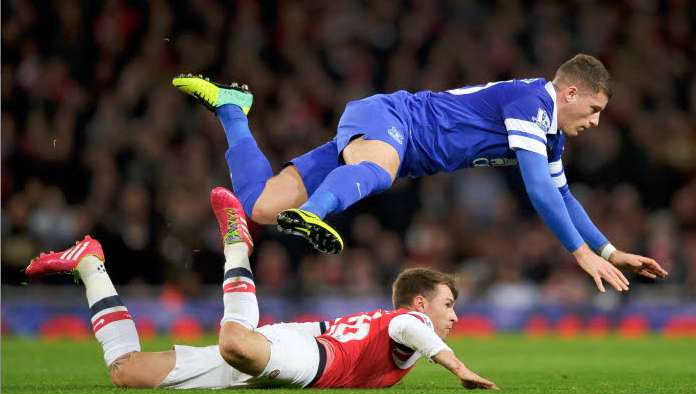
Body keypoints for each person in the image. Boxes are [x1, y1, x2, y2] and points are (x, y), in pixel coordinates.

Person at [172, 54, 668, 293]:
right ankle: (316, 213)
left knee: (259, 206)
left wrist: (609, 250)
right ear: (571, 93)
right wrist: (579, 254)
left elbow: (565, 198)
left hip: (387, 141)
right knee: (379, 169)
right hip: (394, 120)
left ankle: (232, 110)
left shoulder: (550, 134)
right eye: (595, 109)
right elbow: (538, 190)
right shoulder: (532, 102)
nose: (596, 122)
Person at [25, 187, 497, 390]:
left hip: (288, 351)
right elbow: (411, 329)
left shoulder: (387, 327)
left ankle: (89, 265)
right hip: (309, 361)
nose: (455, 316)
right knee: (233, 341)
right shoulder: (408, 320)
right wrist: (459, 368)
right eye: (448, 305)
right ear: (420, 303)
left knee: (126, 372)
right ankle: (237, 242)